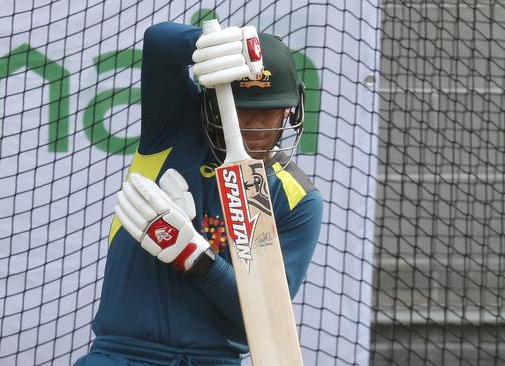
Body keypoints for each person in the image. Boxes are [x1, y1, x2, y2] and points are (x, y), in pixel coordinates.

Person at [74, 21, 323, 366]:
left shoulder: (296, 199)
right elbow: (158, 44)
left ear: (289, 110)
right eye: (242, 112)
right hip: (123, 355)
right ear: (215, 105)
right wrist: (204, 43)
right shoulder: (174, 129)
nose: (253, 128)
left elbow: (261, 324)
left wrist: (193, 255)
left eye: (267, 114)